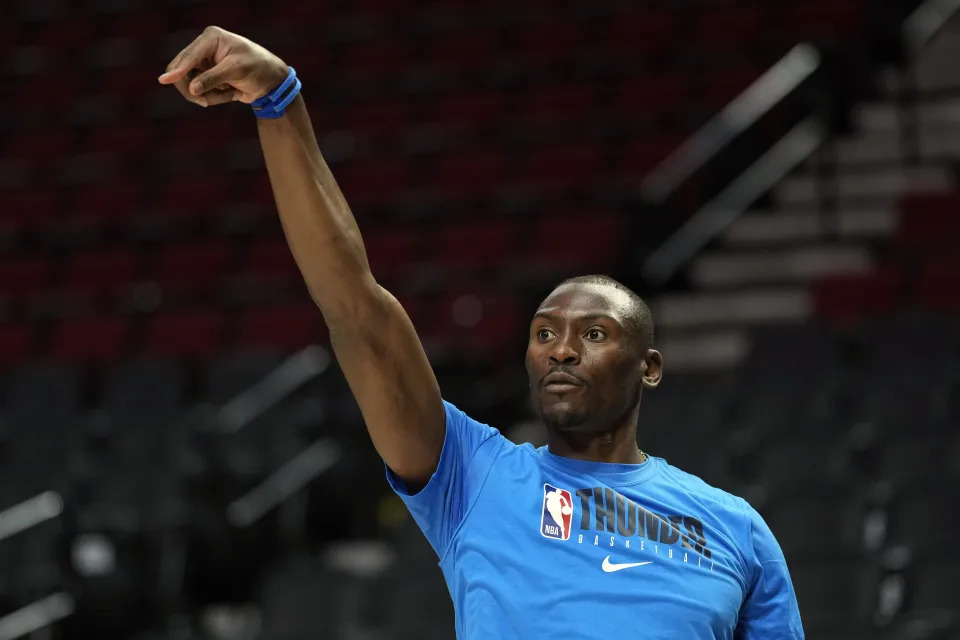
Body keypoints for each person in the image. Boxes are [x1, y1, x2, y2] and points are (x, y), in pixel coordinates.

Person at [160, 27, 804, 639]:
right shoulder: (474, 476)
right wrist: (280, 103)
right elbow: (357, 307)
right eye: (544, 333)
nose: (562, 349)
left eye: (595, 334)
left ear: (650, 366)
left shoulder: (734, 530)